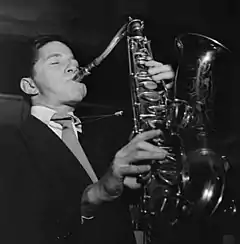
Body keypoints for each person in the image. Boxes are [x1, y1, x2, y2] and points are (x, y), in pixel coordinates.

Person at [0, 35, 174, 244]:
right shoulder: (9, 142)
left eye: (73, 60)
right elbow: (19, 228)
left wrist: (165, 101)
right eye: (56, 62)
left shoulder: (104, 136)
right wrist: (96, 194)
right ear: (30, 86)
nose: (73, 66)